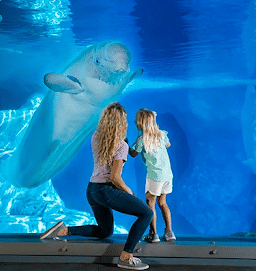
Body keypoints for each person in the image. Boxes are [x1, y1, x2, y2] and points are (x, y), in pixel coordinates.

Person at [40, 102, 153, 271]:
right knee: (147, 213)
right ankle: (126, 257)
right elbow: (115, 177)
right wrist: (130, 193)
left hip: (92, 190)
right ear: (122, 123)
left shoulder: (96, 138)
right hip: (106, 190)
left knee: (105, 231)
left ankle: (64, 231)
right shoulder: (121, 146)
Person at [129, 108, 176, 243]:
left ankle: (153, 233)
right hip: (167, 174)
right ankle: (169, 232)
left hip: (154, 176)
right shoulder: (161, 134)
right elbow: (168, 144)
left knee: (151, 203)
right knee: (163, 203)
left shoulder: (141, 139)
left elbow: (133, 154)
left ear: (141, 123)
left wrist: (126, 146)